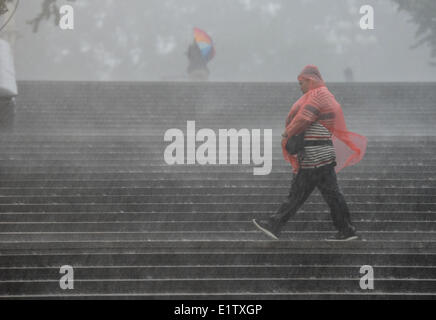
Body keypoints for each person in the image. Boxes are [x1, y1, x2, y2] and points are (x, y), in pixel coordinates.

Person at [253, 65, 367, 241]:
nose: (300, 87)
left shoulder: (317, 95)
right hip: (322, 156)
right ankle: (346, 230)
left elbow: (305, 117)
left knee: (299, 195)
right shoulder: (326, 95)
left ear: (310, 80)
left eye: (301, 83)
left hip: (314, 156)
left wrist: (288, 132)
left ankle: (274, 226)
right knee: (328, 195)